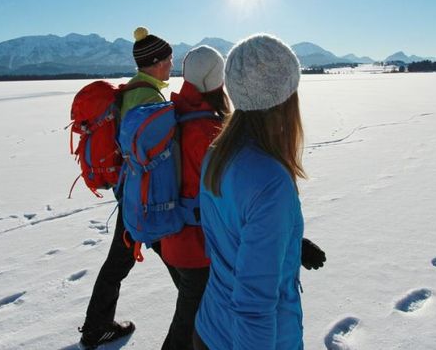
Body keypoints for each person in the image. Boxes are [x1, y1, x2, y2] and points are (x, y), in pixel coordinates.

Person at [193, 34, 312, 350]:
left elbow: (232, 236)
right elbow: (254, 305)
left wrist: (289, 242)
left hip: (211, 326)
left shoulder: (217, 155)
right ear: (285, 97)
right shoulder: (271, 181)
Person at [79, 26, 177, 349]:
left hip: (131, 191)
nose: (172, 65)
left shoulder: (132, 90)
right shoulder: (146, 97)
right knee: (182, 264)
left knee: (120, 261)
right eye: (169, 59)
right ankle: (204, 319)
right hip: (146, 195)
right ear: (156, 61)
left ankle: (96, 326)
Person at [159, 45, 230, 350]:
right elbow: (225, 194)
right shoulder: (207, 129)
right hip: (197, 248)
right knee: (189, 326)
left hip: (171, 237)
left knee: (194, 319)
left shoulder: (173, 114)